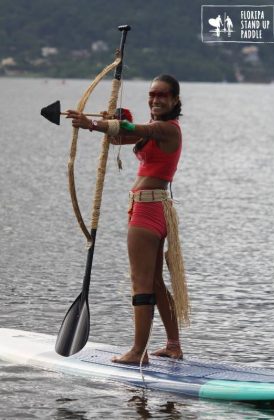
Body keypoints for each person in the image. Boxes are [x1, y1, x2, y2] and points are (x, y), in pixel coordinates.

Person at [66, 74, 189, 365]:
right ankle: (173, 345)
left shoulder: (168, 129)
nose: (156, 100)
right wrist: (113, 120)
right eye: (152, 95)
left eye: (162, 95)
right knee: (155, 282)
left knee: (141, 283)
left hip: (148, 211)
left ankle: (138, 352)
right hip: (152, 209)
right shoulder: (155, 131)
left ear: (175, 100)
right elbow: (122, 135)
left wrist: (92, 123)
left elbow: (131, 128)